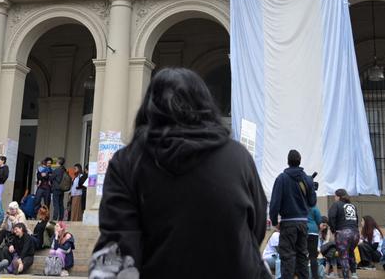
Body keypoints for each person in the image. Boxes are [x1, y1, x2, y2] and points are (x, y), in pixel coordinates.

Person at [93, 67, 268, 278]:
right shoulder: (238, 157)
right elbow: (256, 226)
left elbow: (118, 244)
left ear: (150, 108)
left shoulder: (128, 161)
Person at [270, 149, 316, 279]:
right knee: (302, 255)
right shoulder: (307, 179)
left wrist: (274, 222)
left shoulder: (281, 178)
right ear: (300, 161)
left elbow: (274, 204)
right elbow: (312, 202)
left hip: (288, 223)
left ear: (288, 161)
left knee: (287, 257)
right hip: (303, 223)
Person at [327, 188, 359, 279]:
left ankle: (346, 277)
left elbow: (331, 217)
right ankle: (354, 274)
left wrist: (333, 230)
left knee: (344, 256)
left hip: (343, 233)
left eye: (335, 196)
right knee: (351, 252)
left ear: (338, 196)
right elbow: (356, 219)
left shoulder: (336, 204)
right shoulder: (352, 206)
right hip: (355, 233)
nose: (334, 198)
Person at [307, 201, 324, 279]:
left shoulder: (299, 205)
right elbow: (319, 222)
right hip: (313, 232)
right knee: (313, 256)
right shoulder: (314, 207)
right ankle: (315, 276)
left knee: (301, 256)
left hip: (301, 231)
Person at [52, 157, 70, 221]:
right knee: (60, 203)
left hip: (56, 189)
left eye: (56, 162)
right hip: (62, 189)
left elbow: (51, 178)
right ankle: (61, 218)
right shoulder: (64, 169)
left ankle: (55, 217)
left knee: (55, 203)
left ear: (58, 162)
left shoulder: (56, 170)